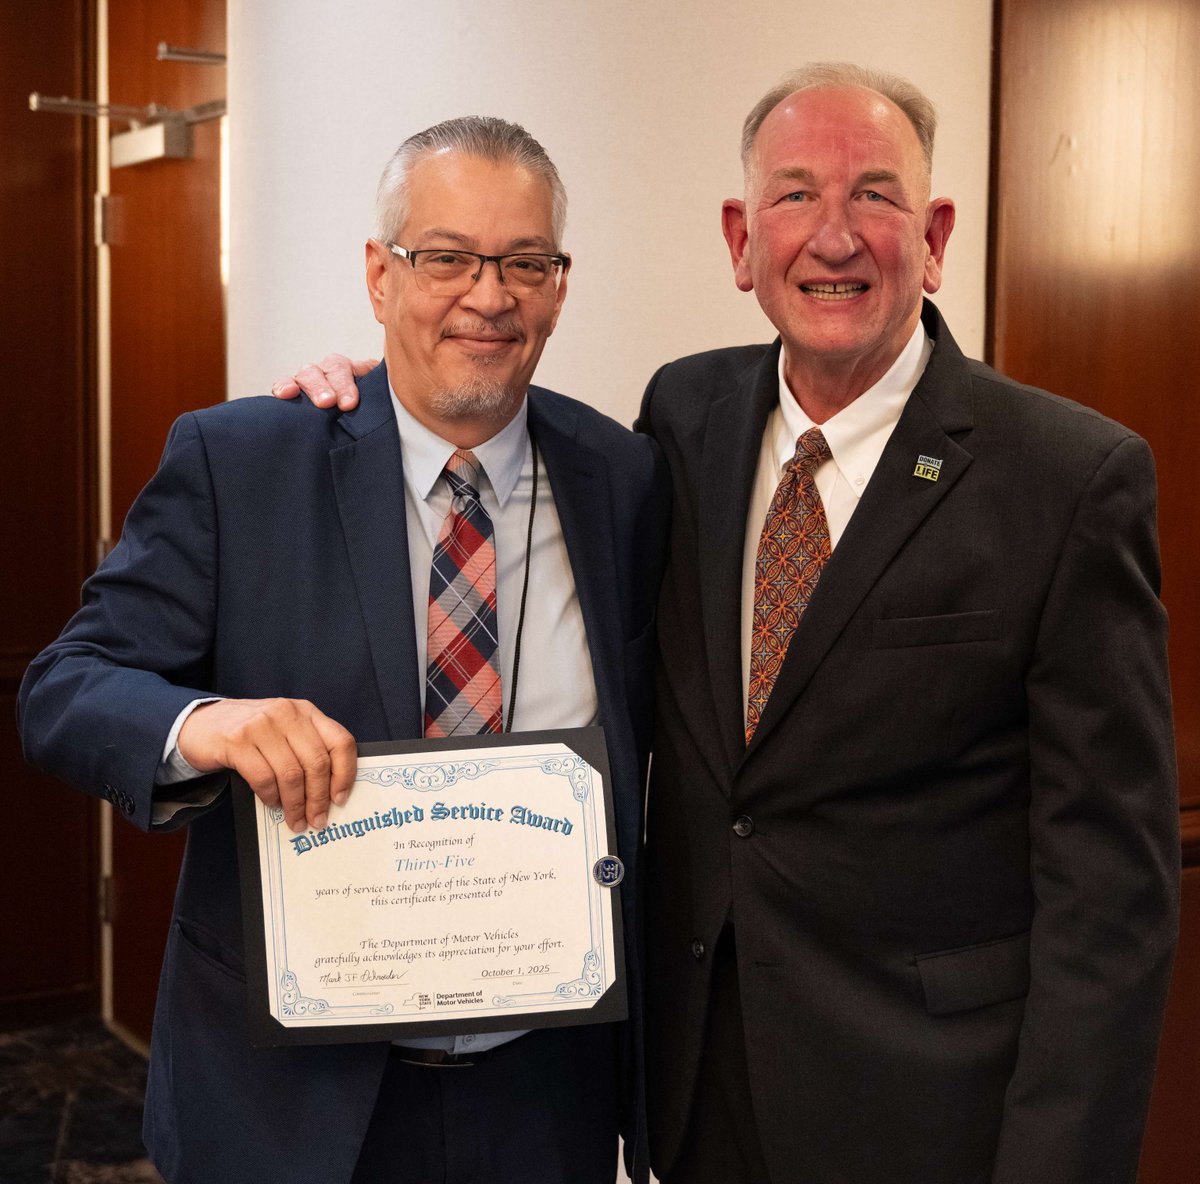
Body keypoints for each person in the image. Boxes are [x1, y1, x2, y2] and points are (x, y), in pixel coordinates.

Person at [274, 63, 1179, 1184]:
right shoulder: (682, 421)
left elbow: (1114, 893)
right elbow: (484, 418)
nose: (834, 236)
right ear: (741, 240)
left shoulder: (1069, 477)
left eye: (877, 197)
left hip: (932, 1113)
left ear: (936, 235)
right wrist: (369, 396)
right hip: (698, 1098)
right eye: (795, 196)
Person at [19, 116, 668, 1184]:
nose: (488, 294)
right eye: (446, 256)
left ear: (559, 285)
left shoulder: (625, 478)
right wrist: (206, 723)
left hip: (544, 1092)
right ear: (380, 273)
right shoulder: (244, 461)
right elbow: (63, 689)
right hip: (289, 1104)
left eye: (523, 262)